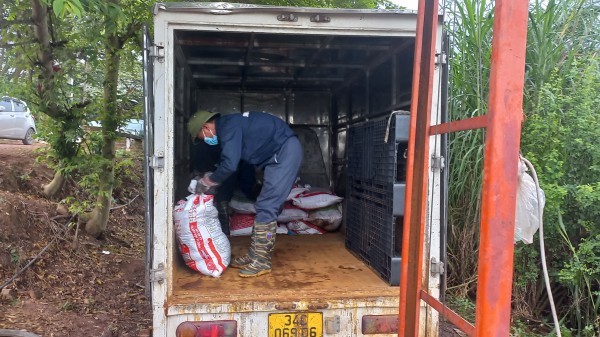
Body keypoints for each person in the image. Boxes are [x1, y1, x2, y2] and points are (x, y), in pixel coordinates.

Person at [187, 110, 302, 277]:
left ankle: (262, 260)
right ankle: (256, 254)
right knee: (263, 204)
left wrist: (207, 181)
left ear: (205, 127)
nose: (204, 140)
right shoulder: (229, 125)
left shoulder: (228, 128)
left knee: (267, 205)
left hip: (284, 153)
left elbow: (230, 165)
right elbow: (229, 160)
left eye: (201, 136)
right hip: (278, 154)